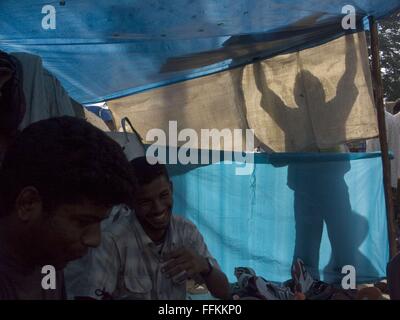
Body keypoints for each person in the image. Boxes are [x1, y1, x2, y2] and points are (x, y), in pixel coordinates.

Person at [0, 116, 136, 299]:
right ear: (28, 203)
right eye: (83, 222)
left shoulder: (47, 260)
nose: (95, 240)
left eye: (100, 222)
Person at [65, 156, 231, 300]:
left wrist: (204, 266)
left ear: (171, 189)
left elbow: (224, 293)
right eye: (146, 201)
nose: (158, 208)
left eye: (163, 195)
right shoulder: (112, 241)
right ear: (130, 201)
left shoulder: (187, 231)